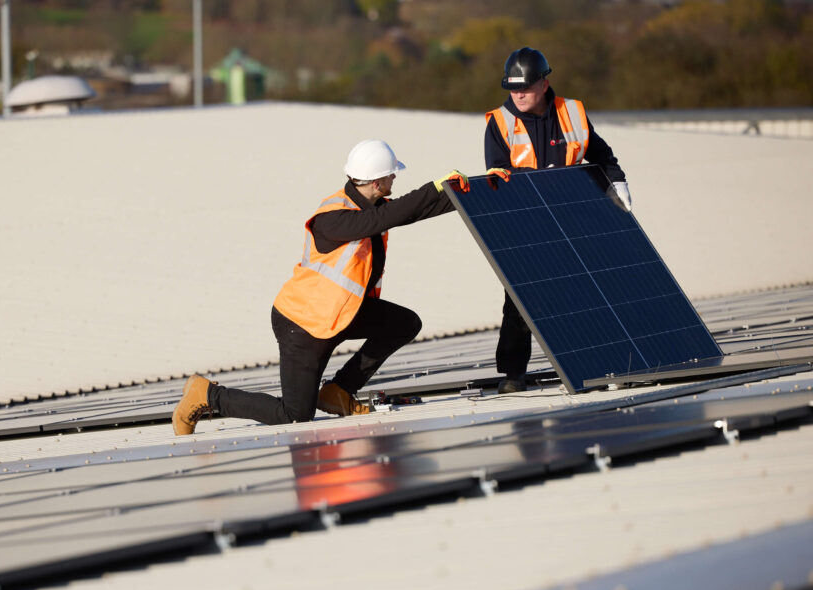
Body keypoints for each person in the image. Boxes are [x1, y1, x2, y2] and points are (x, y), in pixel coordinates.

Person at [172, 139, 471, 435]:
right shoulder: (334, 219)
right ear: (378, 182)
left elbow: (410, 212)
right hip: (303, 325)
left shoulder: (370, 206)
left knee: (403, 323)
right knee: (295, 416)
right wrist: (434, 187)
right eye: (392, 173)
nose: (395, 178)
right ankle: (208, 395)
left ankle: (338, 391)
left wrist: (469, 192)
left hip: (341, 314)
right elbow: (388, 216)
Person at [485, 47, 631, 393]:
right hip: (526, 226)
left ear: (544, 82)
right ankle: (512, 374)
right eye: (512, 88)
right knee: (519, 303)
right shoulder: (500, 123)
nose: (517, 94)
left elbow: (600, 154)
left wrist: (618, 183)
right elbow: (496, 177)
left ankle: (598, 363)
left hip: (574, 222)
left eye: (525, 87)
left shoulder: (572, 113)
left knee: (585, 295)